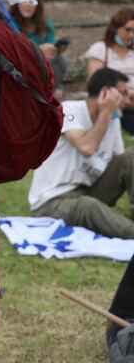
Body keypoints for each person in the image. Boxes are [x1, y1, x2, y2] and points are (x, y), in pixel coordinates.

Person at [29, 68, 134, 239]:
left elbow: (123, 165)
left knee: (131, 157)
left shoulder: (113, 122)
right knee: (88, 206)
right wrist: (106, 113)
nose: (126, 97)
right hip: (52, 201)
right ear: (105, 93)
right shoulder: (68, 110)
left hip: (88, 192)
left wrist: (110, 115)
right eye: (122, 93)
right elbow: (86, 147)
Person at [85, 7, 134, 133]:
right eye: (128, 30)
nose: (131, 35)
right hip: (114, 101)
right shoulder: (101, 49)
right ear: (115, 28)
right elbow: (94, 82)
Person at [9, 0, 68, 89]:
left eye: (32, 1)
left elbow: (50, 45)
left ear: (38, 5)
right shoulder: (11, 24)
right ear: (17, 3)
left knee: (60, 60)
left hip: (42, 64)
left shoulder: (45, 23)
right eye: (24, 0)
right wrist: (38, 50)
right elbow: (13, 51)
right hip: (20, 64)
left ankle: (48, 94)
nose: (28, 4)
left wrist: (56, 49)